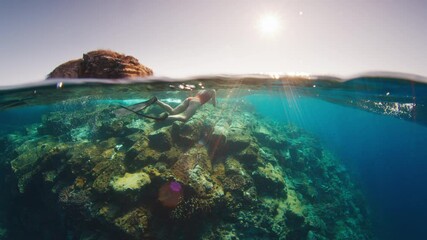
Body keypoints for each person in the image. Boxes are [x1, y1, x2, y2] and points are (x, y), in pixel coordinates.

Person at [115, 89, 216, 122]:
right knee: (184, 118)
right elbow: (214, 103)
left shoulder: (203, 89)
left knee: (173, 110)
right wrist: (213, 104)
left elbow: (200, 96)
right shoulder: (213, 90)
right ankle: (166, 117)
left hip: (190, 99)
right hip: (196, 102)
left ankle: (157, 101)